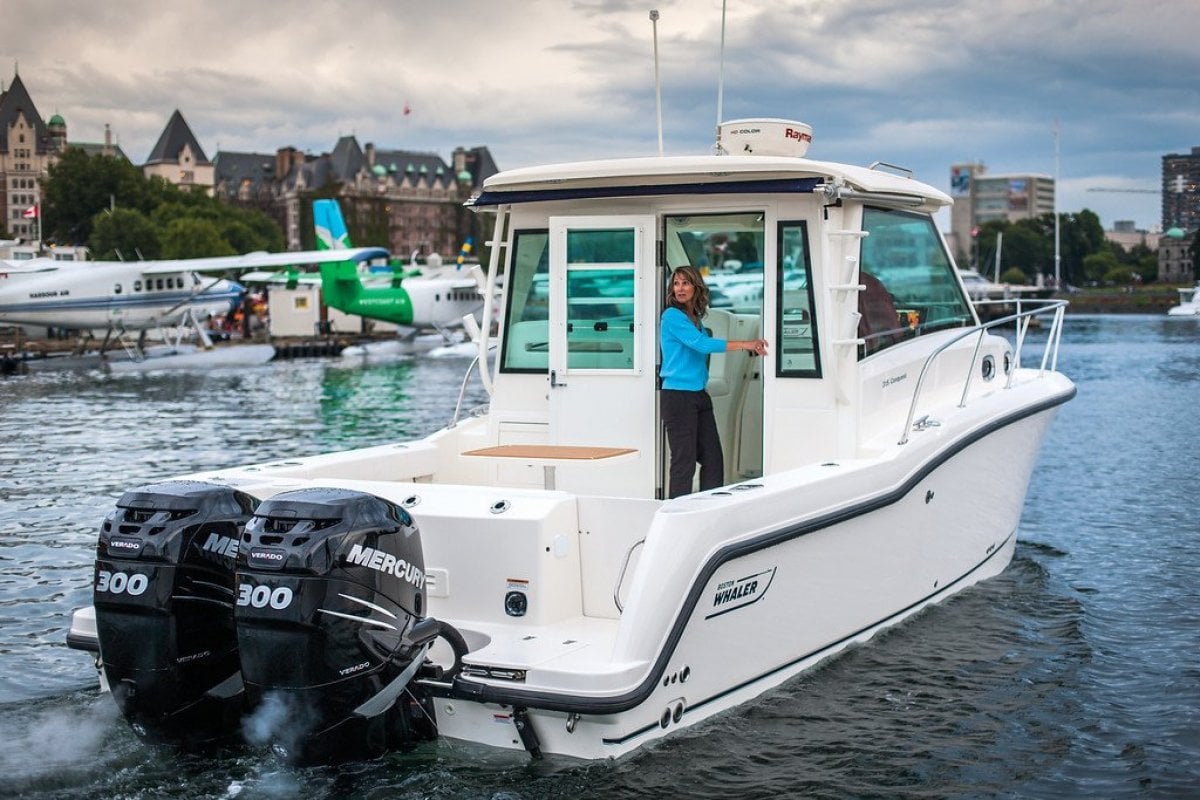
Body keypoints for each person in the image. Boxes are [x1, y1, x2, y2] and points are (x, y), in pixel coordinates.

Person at [660, 265, 767, 499]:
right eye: (676, 283)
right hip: (677, 397)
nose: (680, 288)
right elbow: (701, 344)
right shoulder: (671, 316)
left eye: (685, 283)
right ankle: (677, 512)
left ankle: (709, 506)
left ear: (696, 286)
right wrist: (745, 344)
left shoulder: (695, 318)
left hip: (698, 394)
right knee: (684, 462)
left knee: (713, 459)